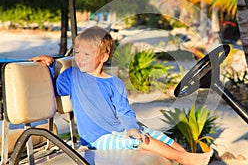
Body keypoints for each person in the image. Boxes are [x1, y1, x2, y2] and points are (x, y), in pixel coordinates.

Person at [30, 26, 212, 165]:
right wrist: (51, 66)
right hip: (97, 139)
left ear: (103, 57)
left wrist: (132, 128)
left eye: (86, 54)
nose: (79, 58)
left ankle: (184, 158)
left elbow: (125, 112)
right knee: (139, 142)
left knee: (160, 138)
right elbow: (52, 88)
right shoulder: (72, 77)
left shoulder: (114, 83)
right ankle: (186, 158)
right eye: (77, 53)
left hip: (120, 130)